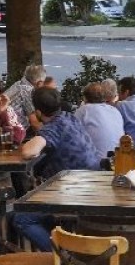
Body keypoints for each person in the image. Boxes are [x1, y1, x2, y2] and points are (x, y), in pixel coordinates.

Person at [14, 87, 101, 251]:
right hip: (93, 183)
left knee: (22, 218)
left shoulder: (52, 128)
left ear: (38, 112)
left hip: (76, 190)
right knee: (44, 215)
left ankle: (60, 258)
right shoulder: (69, 117)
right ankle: (64, 246)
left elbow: (27, 151)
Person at [76, 80, 124, 162]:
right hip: (117, 162)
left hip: (95, 165)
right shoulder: (115, 111)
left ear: (85, 98)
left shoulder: (83, 110)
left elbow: (72, 134)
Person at [4, 64, 45, 130]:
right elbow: (35, 124)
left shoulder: (18, 84)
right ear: (39, 83)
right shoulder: (28, 91)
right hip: (14, 130)